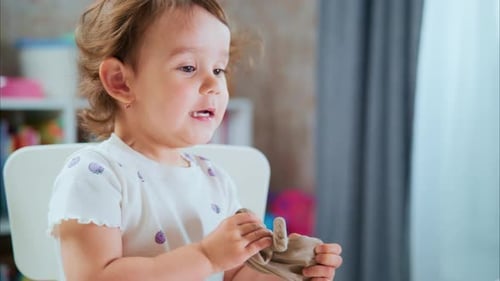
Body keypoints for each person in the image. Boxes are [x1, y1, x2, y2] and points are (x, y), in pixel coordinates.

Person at [47, 1, 343, 280]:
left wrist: (292, 272)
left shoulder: (215, 180)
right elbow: (95, 276)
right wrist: (205, 256)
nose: (214, 84)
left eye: (218, 69)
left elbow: (234, 274)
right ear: (120, 81)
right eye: (188, 67)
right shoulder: (95, 175)